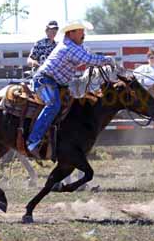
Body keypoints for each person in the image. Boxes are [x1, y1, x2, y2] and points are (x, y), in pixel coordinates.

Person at [26, 20, 114, 157]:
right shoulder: (69, 47)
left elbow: (87, 57)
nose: (83, 34)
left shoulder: (74, 46)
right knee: (53, 105)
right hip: (45, 80)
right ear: (71, 33)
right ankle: (33, 140)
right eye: (81, 31)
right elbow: (89, 59)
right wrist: (107, 59)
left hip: (58, 83)